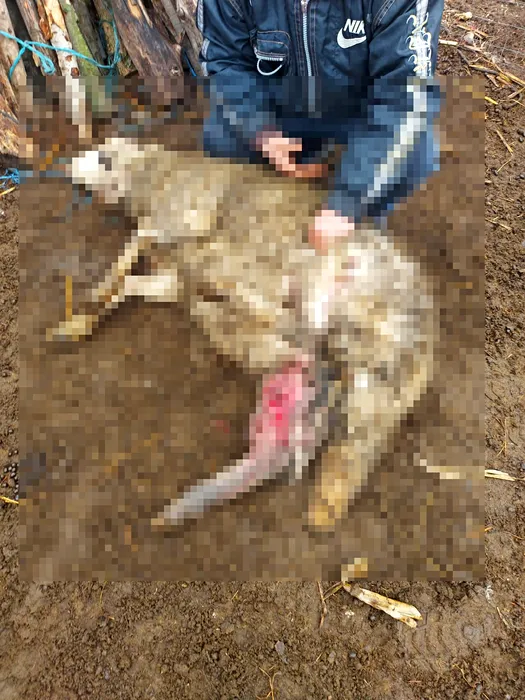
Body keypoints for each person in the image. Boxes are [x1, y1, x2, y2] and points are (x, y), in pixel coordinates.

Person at [196, 0, 444, 250]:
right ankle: (267, 215)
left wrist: (347, 203)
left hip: (362, 119)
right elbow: (225, 60)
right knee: (221, 136)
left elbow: (403, 99)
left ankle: (367, 225)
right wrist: (261, 130)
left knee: (417, 153)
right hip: (284, 113)